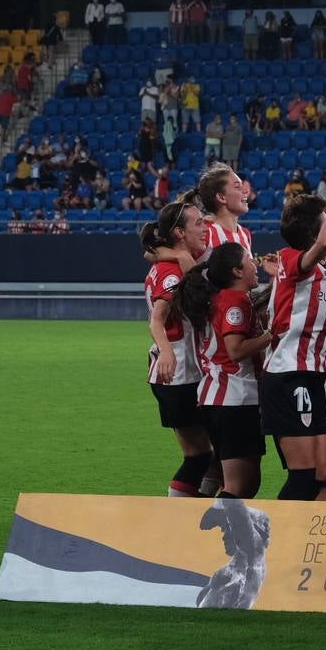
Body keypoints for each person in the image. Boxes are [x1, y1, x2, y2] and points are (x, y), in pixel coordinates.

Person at [262, 158, 326, 501]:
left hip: (309, 376)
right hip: (289, 374)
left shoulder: (318, 273)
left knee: (321, 476)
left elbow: (320, 318)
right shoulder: (291, 260)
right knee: (304, 479)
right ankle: (272, 548)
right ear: (314, 232)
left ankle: (301, 549)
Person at [176, 242, 274, 498]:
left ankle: (220, 528)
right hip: (234, 399)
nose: (255, 265)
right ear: (237, 271)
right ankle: (211, 533)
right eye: (250, 261)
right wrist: (274, 335)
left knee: (248, 481)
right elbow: (236, 350)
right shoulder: (234, 302)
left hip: (220, 398)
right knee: (238, 485)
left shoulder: (224, 298)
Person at [140, 199, 213, 498]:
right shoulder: (172, 272)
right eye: (198, 223)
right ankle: (177, 516)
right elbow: (157, 319)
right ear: (180, 232)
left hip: (179, 373)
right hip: (180, 373)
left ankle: (196, 510)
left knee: (207, 455)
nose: (204, 227)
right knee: (200, 457)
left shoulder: (173, 262)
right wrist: (167, 351)